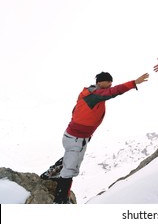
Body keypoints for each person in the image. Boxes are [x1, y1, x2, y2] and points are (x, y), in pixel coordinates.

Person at [42, 71, 149, 204]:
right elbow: (113, 92)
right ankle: (60, 200)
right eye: (108, 81)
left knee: (71, 158)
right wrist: (133, 83)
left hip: (75, 137)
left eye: (111, 82)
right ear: (99, 82)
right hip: (76, 138)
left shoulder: (90, 94)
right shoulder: (94, 95)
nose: (110, 84)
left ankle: (51, 173)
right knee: (70, 169)